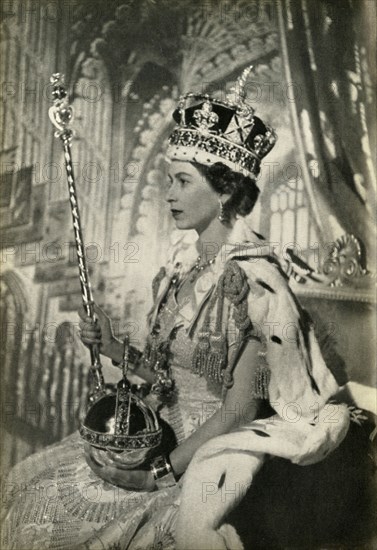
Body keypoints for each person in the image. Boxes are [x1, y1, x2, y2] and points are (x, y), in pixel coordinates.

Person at [1, 69, 350, 550]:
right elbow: (165, 374)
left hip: (201, 451)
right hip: (153, 423)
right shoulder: (182, 269)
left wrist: (157, 476)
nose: (169, 193)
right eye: (168, 180)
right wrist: (113, 347)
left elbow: (237, 410)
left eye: (183, 181)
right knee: (21, 484)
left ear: (224, 191)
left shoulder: (255, 285)